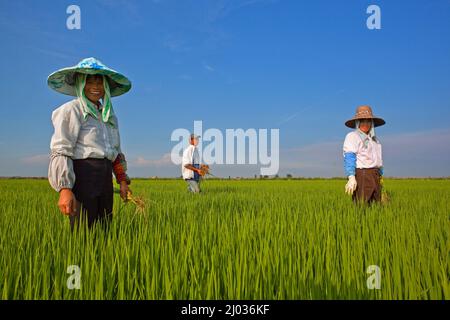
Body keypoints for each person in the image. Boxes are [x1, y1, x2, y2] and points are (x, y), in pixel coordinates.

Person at [47, 57, 132, 230]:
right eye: (89, 81)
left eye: (100, 82)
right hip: (83, 175)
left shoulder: (109, 116)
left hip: (105, 176)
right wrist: (64, 189)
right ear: (80, 83)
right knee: (83, 229)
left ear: (106, 86)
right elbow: (62, 150)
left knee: (105, 226)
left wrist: (122, 181)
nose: (95, 87)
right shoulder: (71, 110)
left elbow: (114, 152)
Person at [343, 105, 385, 204]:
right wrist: (351, 177)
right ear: (357, 122)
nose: (365, 123)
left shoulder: (375, 140)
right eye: (362, 120)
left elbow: (379, 160)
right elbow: (349, 156)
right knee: (361, 205)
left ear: (372, 123)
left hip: (375, 175)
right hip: (363, 174)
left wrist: (381, 176)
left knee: (376, 205)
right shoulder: (353, 136)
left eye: (368, 121)